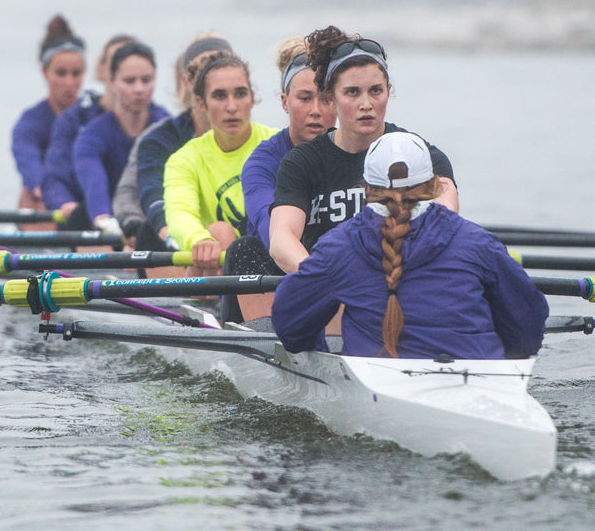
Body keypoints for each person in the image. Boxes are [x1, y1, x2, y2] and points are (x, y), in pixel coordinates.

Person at [272, 132, 548, 359]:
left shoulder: (339, 248)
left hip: (377, 389)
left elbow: (290, 326)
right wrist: (505, 364)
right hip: (480, 379)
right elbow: (529, 323)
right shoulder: (477, 242)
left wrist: (323, 359)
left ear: (366, 189)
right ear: (432, 186)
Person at [269, 26, 459, 274]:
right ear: (330, 98)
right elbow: (282, 241)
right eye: (352, 93)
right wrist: (324, 280)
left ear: (388, 92)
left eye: (375, 91)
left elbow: (446, 216)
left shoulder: (421, 155)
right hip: (330, 289)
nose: (366, 104)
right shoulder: (301, 163)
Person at [221, 37, 335, 321]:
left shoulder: (361, 153)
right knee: (244, 248)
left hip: (333, 274)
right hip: (275, 274)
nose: (316, 110)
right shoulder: (262, 163)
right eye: (305, 98)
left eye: (325, 98)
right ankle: (261, 337)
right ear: (285, 101)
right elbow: (270, 230)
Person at [112, 33, 234, 250]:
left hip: (226, 242)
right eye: (207, 70)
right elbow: (149, 194)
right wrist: (141, 228)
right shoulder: (158, 139)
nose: (219, 78)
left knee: (224, 233)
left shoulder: (260, 140)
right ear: (187, 82)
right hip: (169, 240)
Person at [163, 51, 277, 273]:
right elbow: (179, 213)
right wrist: (198, 239)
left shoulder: (277, 144)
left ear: (252, 99)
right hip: (213, 267)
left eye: (240, 94)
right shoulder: (184, 160)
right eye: (219, 96)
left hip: (271, 260)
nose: (231, 106)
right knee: (221, 232)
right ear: (201, 103)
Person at [72, 42, 170, 235]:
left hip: (153, 223)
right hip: (109, 226)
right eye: (129, 81)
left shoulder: (168, 127)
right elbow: (94, 179)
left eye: (146, 80)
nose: (139, 89)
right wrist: (102, 217)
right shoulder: (92, 134)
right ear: (112, 82)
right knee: (80, 215)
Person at [41, 34, 137, 229]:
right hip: (90, 221)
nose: (137, 87)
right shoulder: (76, 121)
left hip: (136, 220)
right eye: (118, 63)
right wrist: (64, 202)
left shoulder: (160, 121)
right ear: (103, 71)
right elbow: (54, 177)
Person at [11, 15, 86, 217]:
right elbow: (30, 165)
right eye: (61, 73)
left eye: (76, 73)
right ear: (45, 72)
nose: (69, 83)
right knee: (31, 196)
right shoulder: (30, 122)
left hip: (85, 200)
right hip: (47, 204)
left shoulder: (93, 115)